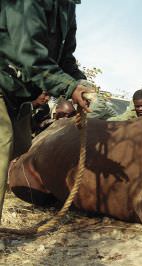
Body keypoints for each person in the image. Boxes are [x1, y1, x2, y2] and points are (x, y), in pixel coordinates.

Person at [0, 0, 93, 221]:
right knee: (2, 146)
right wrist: (69, 88)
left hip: (19, 93)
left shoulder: (68, 8)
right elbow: (31, 57)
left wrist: (80, 82)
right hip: (3, 81)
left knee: (20, 145)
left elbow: (65, 60)